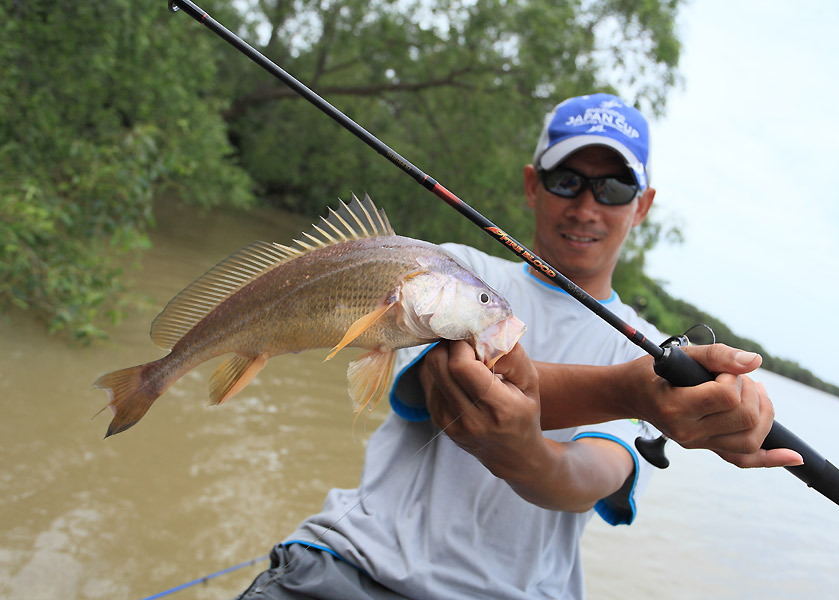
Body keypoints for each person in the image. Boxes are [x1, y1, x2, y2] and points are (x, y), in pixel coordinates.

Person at [235, 93, 802, 599]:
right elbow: (444, 386)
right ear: (534, 185)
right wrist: (635, 393)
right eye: (566, 180)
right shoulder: (455, 271)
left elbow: (585, 479)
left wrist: (536, 447)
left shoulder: (657, 358)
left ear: (643, 204)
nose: (585, 206)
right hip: (350, 569)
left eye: (614, 187)